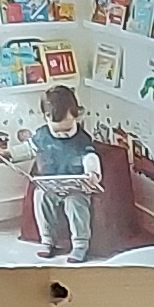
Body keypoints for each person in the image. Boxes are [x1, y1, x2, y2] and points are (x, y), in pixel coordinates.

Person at [29, 84, 104, 261]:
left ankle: (80, 245)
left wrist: (92, 173)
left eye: (68, 128)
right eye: (58, 130)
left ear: (76, 116)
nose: (63, 134)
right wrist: (8, 154)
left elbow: (90, 156)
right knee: (40, 197)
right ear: (46, 117)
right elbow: (28, 148)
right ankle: (47, 239)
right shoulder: (42, 135)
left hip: (75, 186)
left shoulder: (81, 138)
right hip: (51, 184)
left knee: (75, 204)